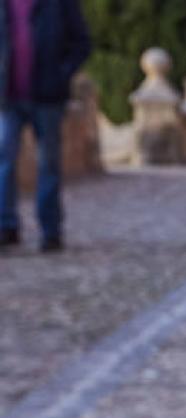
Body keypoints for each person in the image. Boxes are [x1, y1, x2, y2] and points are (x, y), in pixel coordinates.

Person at [0, 0, 88, 253]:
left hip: (47, 97)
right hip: (9, 98)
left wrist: (61, 74)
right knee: (4, 161)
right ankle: (6, 226)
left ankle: (50, 231)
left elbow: (81, 42)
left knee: (48, 163)